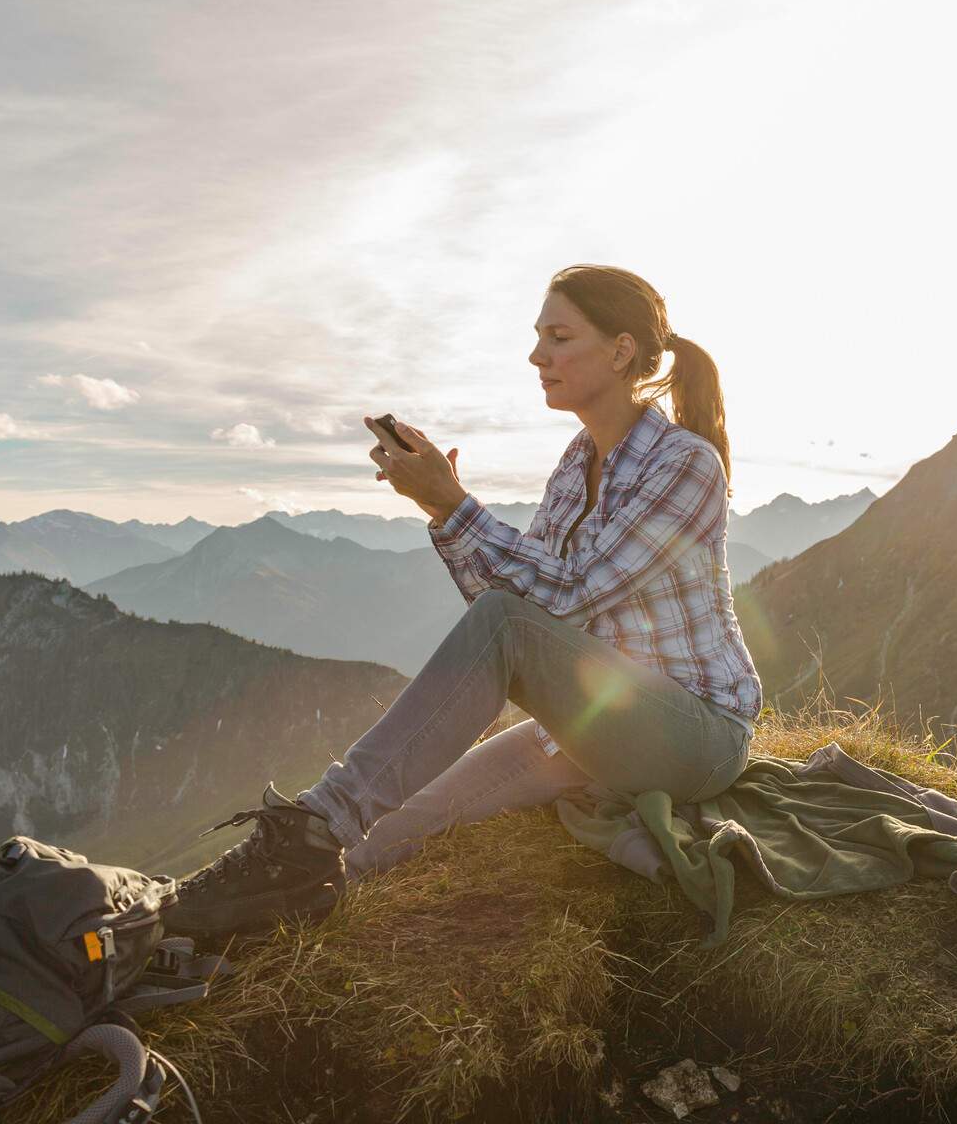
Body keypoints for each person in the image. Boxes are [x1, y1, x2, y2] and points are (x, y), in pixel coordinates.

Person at [163, 265, 764, 941]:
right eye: (538, 337)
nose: (537, 356)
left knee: (493, 639)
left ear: (622, 351)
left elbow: (561, 601)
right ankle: (214, 910)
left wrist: (454, 505)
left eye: (558, 337)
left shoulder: (685, 465)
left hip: (696, 736)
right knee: (379, 838)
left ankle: (314, 821)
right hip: (599, 721)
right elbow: (516, 606)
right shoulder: (575, 464)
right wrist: (440, 508)